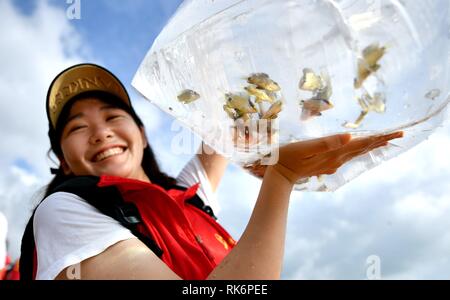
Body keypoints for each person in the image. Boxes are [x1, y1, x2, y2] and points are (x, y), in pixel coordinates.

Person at [20, 63, 403, 280]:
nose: (100, 131)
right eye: (77, 127)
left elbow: (235, 119)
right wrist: (282, 176)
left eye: (113, 116)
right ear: (64, 159)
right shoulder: (63, 212)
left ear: (141, 134)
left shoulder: (188, 194)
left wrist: (300, 104)